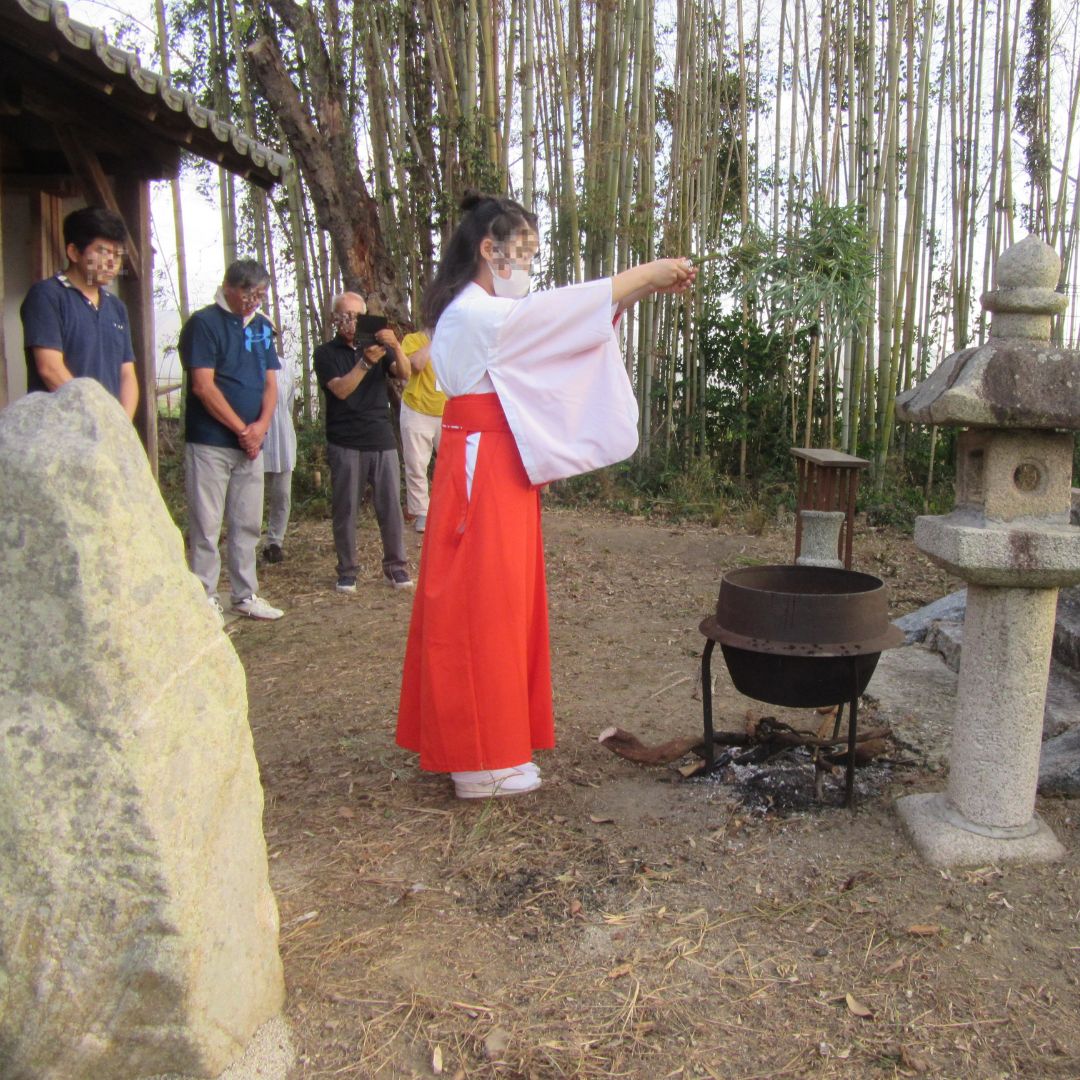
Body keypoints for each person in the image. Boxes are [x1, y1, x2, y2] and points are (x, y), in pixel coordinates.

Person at [396, 192, 695, 799]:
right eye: (523, 253)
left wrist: (638, 292)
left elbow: (556, 336)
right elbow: (558, 318)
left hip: (497, 460)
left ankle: (494, 746)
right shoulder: (477, 313)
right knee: (483, 604)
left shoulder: (483, 311)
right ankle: (480, 759)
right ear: (490, 250)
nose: (530, 267)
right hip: (483, 465)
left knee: (504, 602)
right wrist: (643, 274)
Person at [180, 260, 284, 622]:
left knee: (247, 522)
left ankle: (245, 593)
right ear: (229, 287)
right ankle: (205, 595)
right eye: (248, 294)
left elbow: (271, 383)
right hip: (210, 442)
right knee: (207, 523)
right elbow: (203, 386)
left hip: (252, 442)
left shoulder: (261, 326)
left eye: (259, 295)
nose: (253, 301)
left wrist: (261, 427)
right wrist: (243, 429)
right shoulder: (204, 324)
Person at [313, 293, 413, 594]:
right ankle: (347, 570)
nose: (352, 322)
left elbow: (405, 374)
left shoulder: (378, 349)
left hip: (381, 437)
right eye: (347, 316)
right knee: (346, 509)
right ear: (335, 319)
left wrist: (394, 345)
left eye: (358, 316)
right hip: (345, 440)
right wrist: (365, 363)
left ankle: (396, 567)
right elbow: (341, 390)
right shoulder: (326, 353)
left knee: (391, 508)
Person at [20, 206, 139, 419]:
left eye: (117, 254)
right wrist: (96, 418)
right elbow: (49, 367)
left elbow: (127, 374)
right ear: (74, 252)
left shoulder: (116, 307)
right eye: (103, 251)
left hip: (107, 431)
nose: (112, 261)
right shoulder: (47, 295)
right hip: (59, 429)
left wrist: (122, 424)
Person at [394, 329, 444, 533]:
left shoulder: (456, 339)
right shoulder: (413, 339)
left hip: (447, 409)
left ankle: (453, 509)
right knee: (416, 464)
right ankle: (422, 512)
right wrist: (435, 340)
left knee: (454, 464)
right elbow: (415, 365)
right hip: (416, 409)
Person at [262, 358, 297, 564]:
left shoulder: (285, 366)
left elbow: (289, 402)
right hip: (256, 436)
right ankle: (247, 542)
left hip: (283, 439)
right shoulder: (246, 360)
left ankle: (275, 542)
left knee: (282, 494)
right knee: (252, 497)